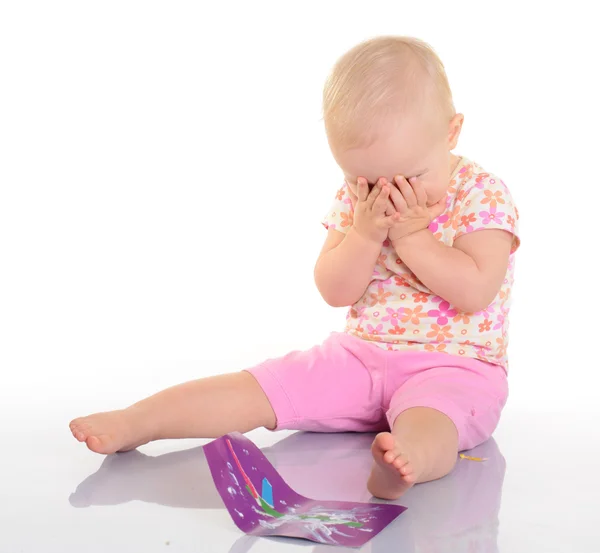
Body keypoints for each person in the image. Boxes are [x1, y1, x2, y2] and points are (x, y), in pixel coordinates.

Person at [70, 36, 520, 500]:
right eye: (364, 181)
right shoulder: (357, 202)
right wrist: (364, 235)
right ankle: (139, 420)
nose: (387, 197)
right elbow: (335, 289)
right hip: (360, 356)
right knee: (259, 386)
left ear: (451, 133)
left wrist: (410, 238)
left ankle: (405, 461)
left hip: (456, 365)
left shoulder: (479, 192)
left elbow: (475, 290)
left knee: (433, 418)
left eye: (410, 178)